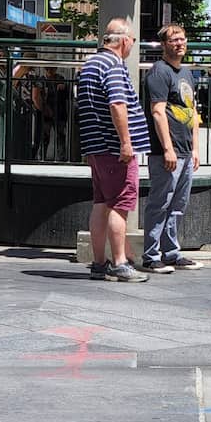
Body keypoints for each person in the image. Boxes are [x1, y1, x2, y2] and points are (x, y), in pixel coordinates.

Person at [76, 20, 150, 283]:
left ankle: (99, 263)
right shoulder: (114, 66)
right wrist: (126, 143)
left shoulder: (91, 64)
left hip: (96, 147)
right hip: (113, 149)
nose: (132, 45)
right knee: (120, 205)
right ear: (123, 40)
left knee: (101, 204)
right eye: (133, 40)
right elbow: (117, 104)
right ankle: (119, 263)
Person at [142, 24, 201, 272]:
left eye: (182, 39)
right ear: (164, 45)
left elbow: (192, 112)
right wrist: (167, 148)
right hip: (168, 152)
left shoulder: (186, 73)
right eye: (174, 39)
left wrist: (195, 148)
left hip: (186, 152)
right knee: (160, 202)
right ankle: (151, 256)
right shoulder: (159, 72)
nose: (180, 43)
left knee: (178, 205)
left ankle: (171, 252)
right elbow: (158, 112)